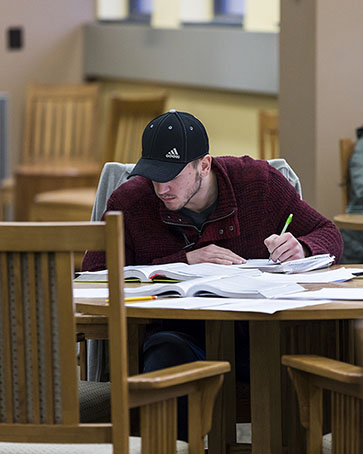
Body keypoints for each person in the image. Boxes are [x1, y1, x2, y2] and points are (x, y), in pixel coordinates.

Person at [82, 110, 343, 439]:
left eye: (172, 175)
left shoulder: (258, 183)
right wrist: (182, 261)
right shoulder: (132, 200)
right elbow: (92, 276)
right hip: (178, 338)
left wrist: (302, 247)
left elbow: (329, 233)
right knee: (164, 360)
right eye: (153, 175)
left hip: (260, 336)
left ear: (203, 165)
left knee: (318, 356)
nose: (161, 188)